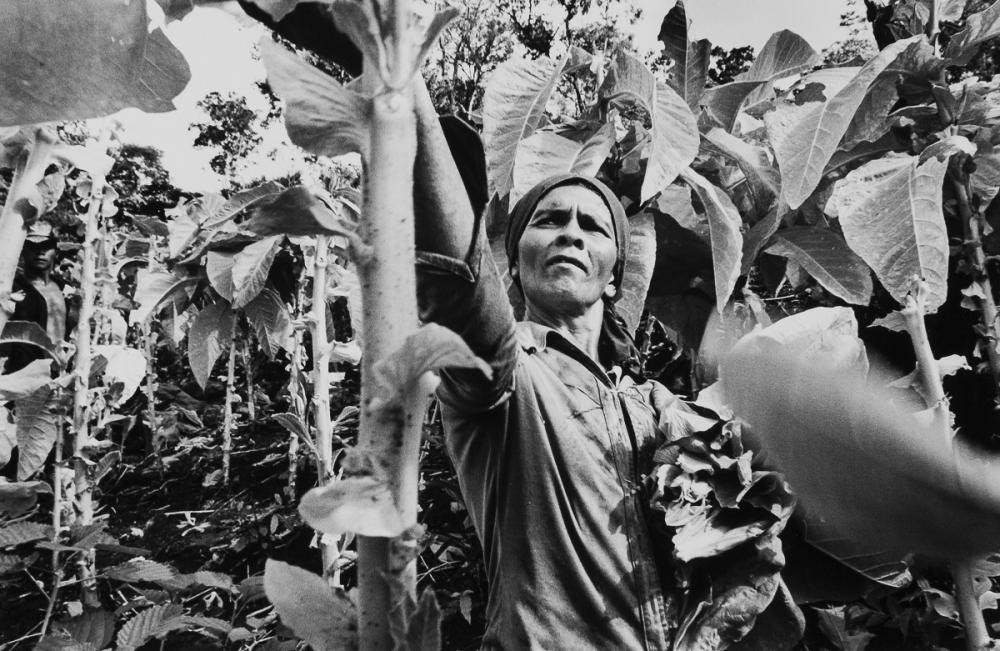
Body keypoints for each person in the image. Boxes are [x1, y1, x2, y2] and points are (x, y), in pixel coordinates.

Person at [413, 80, 691, 649]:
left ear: (616, 276)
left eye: (593, 226)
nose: (571, 232)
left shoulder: (652, 400)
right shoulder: (509, 371)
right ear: (512, 265)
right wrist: (404, 89)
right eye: (550, 220)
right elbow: (460, 291)